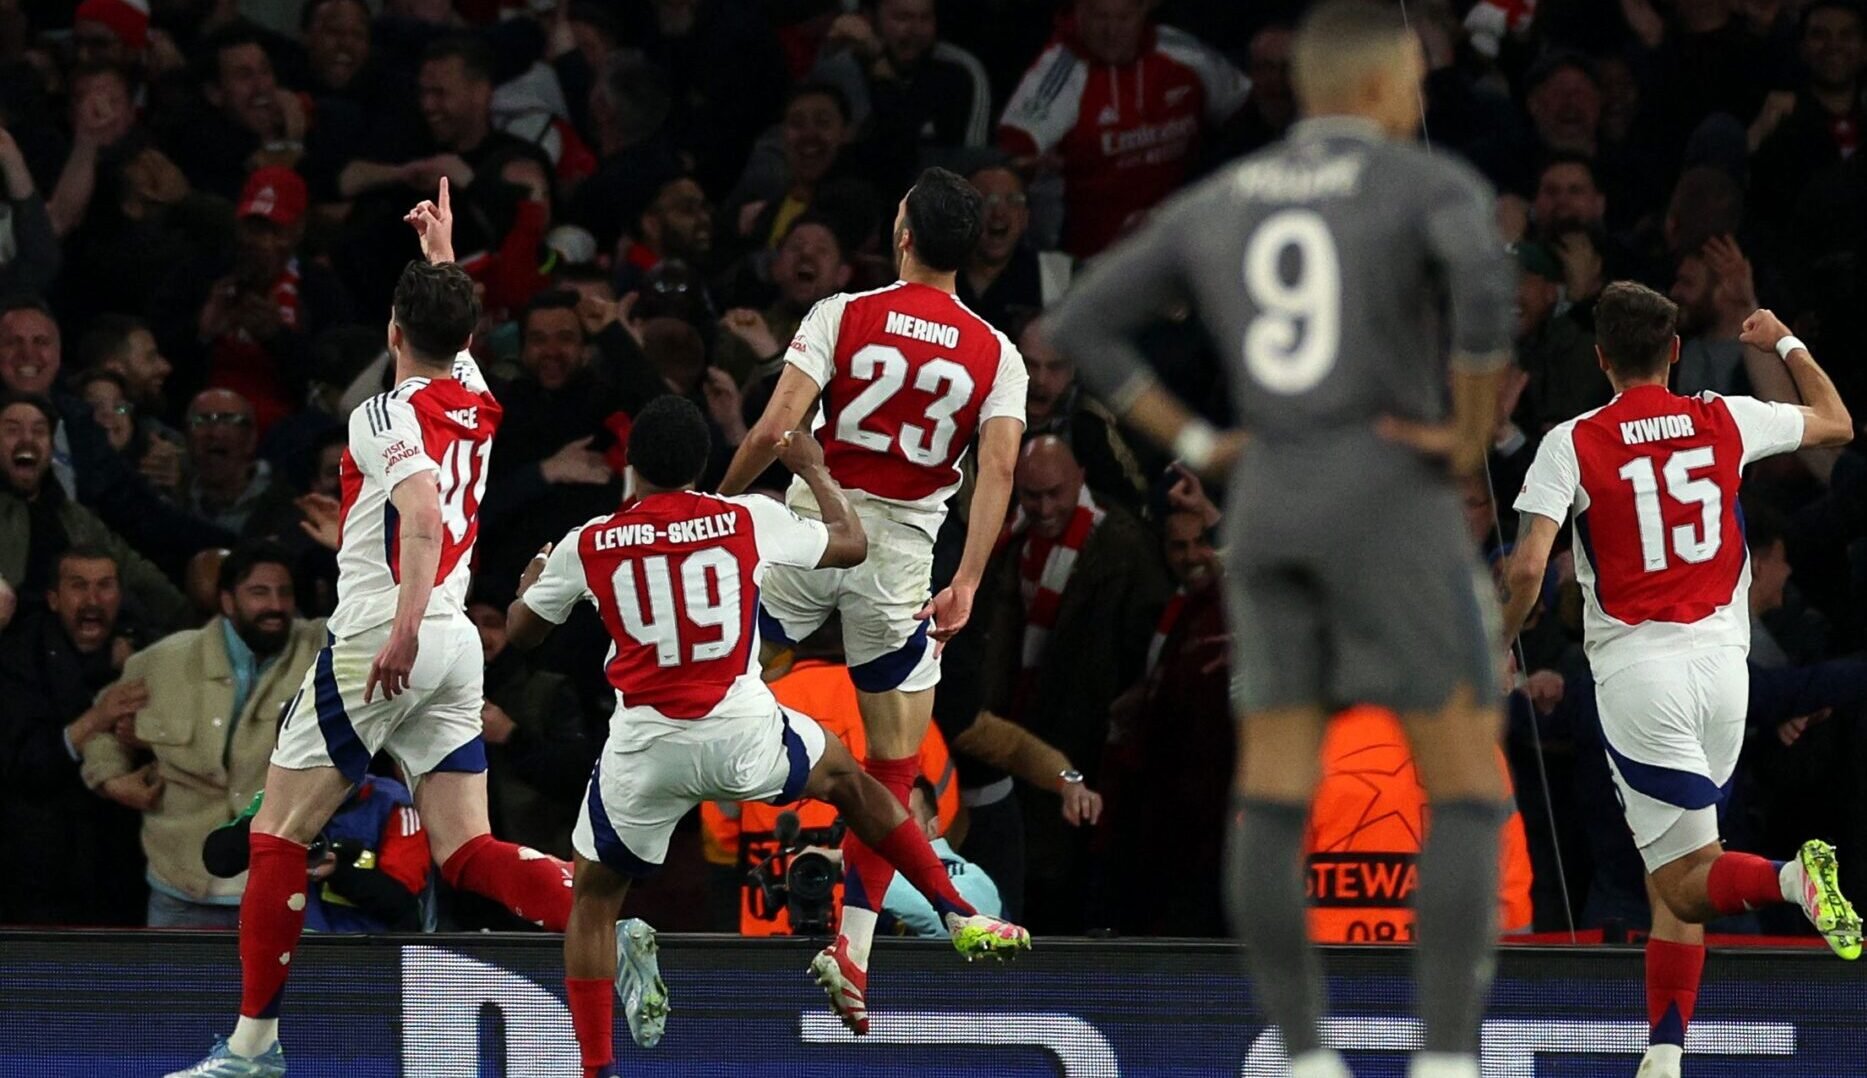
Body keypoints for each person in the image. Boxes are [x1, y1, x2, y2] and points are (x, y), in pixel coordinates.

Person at [1043, 4, 1516, 1075]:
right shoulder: (1425, 183)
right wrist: (1467, 431)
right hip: (1389, 499)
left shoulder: (1224, 196)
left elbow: (1079, 325)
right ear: (1389, 79)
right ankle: (1445, 1052)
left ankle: (1303, 1052)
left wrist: (1203, 442)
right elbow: (1486, 292)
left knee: (1270, 790)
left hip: (1272, 502)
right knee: (1463, 785)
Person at [166, 184, 573, 1078]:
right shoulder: (477, 397)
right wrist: (445, 250)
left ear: (391, 333)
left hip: (387, 635)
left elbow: (421, 513)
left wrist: (402, 626)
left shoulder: (382, 414)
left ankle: (251, 1051)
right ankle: (602, 918)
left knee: (276, 837)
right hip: (459, 642)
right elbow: (450, 332)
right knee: (466, 849)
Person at [505, 396, 1028, 1075]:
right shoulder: (746, 516)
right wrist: (813, 470)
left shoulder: (591, 540)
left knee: (595, 904)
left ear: (630, 468)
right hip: (741, 730)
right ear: (703, 467)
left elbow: (521, 638)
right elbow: (850, 544)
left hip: (646, 749)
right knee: (851, 783)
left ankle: (596, 1070)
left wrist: (527, 589)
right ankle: (956, 910)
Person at [1501, 285, 1860, 1078]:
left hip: (1640, 676)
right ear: (1671, 352)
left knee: (1687, 882)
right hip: (1722, 674)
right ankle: (1663, 1055)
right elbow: (1835, 423)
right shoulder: (1722, 416)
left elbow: (1529, 565)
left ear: (1599, 359)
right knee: (1687, 869)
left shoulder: (1572, 439)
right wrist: (1785, 341)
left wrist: (1501, 640)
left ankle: (1793, 878)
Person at [718, 166, 1028, 1028]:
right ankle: (849, 949)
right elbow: (997, 470)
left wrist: (711, 505)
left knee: (707, 675)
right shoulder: (995, 352)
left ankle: (621, 881)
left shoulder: (841, 313)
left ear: (902, 235)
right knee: (894, 766)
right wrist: (965, 579)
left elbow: (775, 429)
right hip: (900, 560)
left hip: (814, 527)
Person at [82, 541, 324, 929]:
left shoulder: (320, 651)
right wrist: (112, 779)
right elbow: (101, 728)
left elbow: (378, 625)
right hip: (179, 889)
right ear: (227, 601)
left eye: (285, 593)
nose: (276, 606)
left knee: (279, 993)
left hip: (283, 886)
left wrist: (345, 546)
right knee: (176, 992)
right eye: (259, 593)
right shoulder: (165, 661)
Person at [997, 0, 1249, 257]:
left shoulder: (1187, 55)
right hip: (1085, 261)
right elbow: (1009, 159)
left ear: (1145, 11)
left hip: (1185, 250)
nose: (1111, 32)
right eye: (1100, 17)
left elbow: (1248, 115)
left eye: (1123, 18)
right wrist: (1026, 173)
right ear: (1078, 12)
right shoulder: (1058, 74)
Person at [0, 546, 149, 925]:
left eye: (105, 586)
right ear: (53, 599)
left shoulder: (146, 653)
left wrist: (143, 741)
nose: (93, 600)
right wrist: (97, 718)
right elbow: (23, 766)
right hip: (36, 875)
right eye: (78, 586)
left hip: (121, 871)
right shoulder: (16, 659)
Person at [880, 776, 1000, 936]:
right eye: (883, 816)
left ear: (932, 829)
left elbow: (953, 925)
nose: (892, 825)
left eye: (905, 816)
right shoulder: (849, 877)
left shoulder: (968, 875)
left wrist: (862, 869)